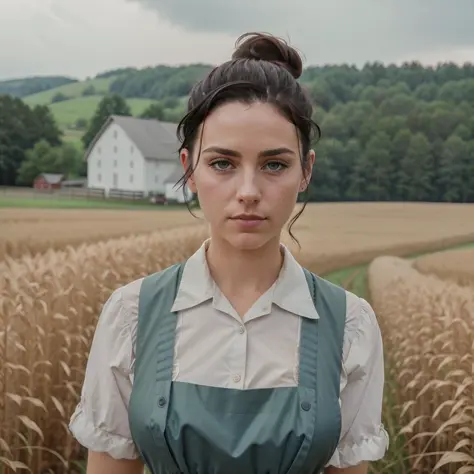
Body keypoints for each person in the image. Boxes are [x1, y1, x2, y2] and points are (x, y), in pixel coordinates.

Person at [69, 32, 389, 474]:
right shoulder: (130, 315)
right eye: (223, 163)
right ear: (189, 169)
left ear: (306, 171)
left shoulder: (351, 325)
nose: (248, 192)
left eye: (274, 164)